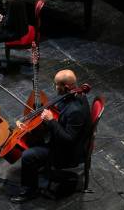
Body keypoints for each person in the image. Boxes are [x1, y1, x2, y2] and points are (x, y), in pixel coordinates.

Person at [10, 69, 91, 203]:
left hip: (68, 151)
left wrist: (51, 121)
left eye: (56, 85)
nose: (54, 87)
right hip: (62, 140)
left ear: (65, 87)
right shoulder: (73, 95)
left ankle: (30, 191)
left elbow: (68, 140)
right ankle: (39, 168)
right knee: (34, 137)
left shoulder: (76, 110)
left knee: (28, 155)